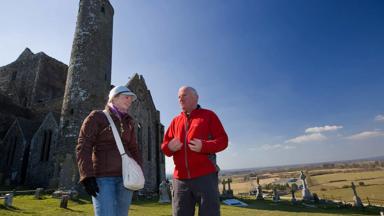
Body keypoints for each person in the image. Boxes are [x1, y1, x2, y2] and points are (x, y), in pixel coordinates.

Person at [161, 86, 228, 216]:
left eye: (184, 95)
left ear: (196, 98)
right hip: (180, 180)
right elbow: (164, 147)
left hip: (206, 177)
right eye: (178, 97)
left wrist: (204, 146)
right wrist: (169, 147)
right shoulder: (175, 121)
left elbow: (223, 141)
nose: (180, 99)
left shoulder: (209, 115)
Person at [76, 85, 142, 216]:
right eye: (126, 97)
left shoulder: (129, 122)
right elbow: (84, 145)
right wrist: (86, 175)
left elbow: (134, 148)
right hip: (103, 178)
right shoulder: (97, 116)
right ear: (114, 98)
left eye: (131, 99)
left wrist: (139, 171)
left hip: (126, 178)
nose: (130, 101)